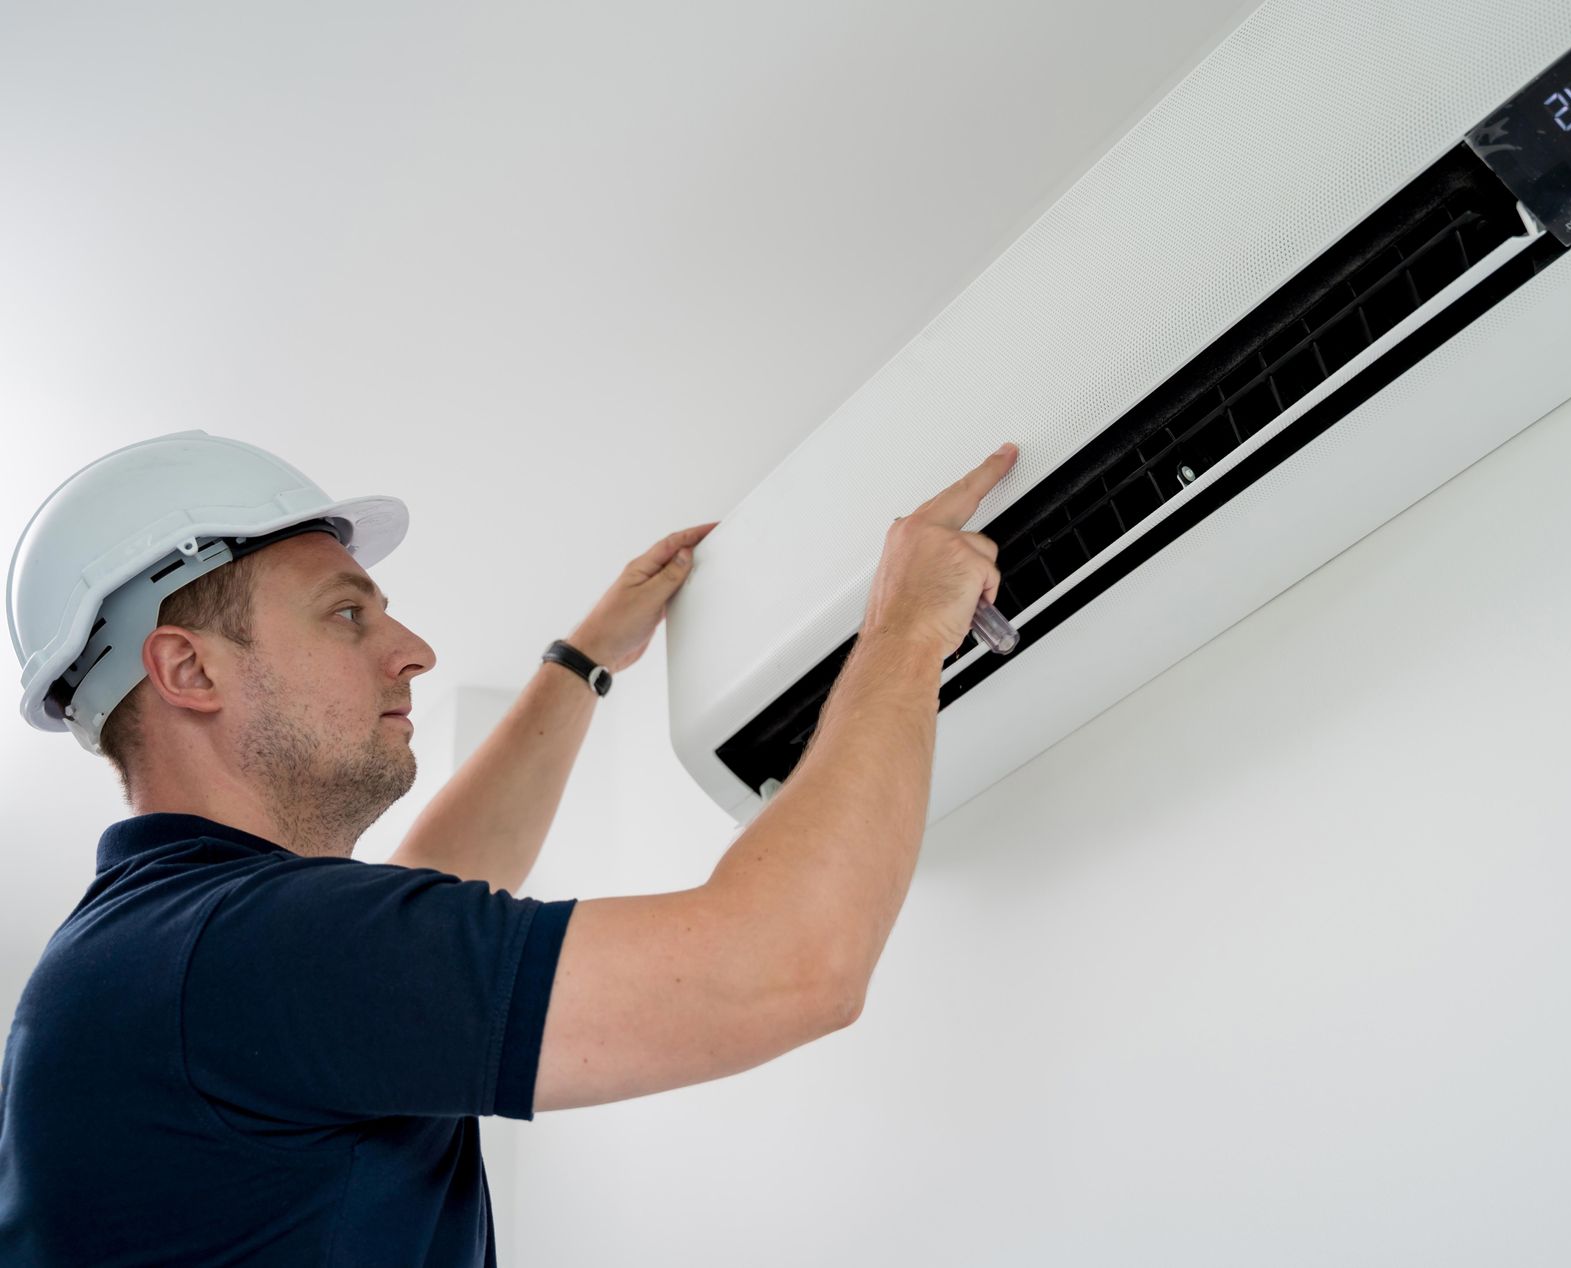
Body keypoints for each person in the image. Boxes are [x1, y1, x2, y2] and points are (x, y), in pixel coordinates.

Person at [0, 429, 1017, 1265]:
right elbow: (789, 964)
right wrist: (904, 629)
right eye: (347, 613)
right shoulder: (238, 948)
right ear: (189, 670)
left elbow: (430, 885)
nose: (415, 651)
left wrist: (582, 660)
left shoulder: (164, 952)